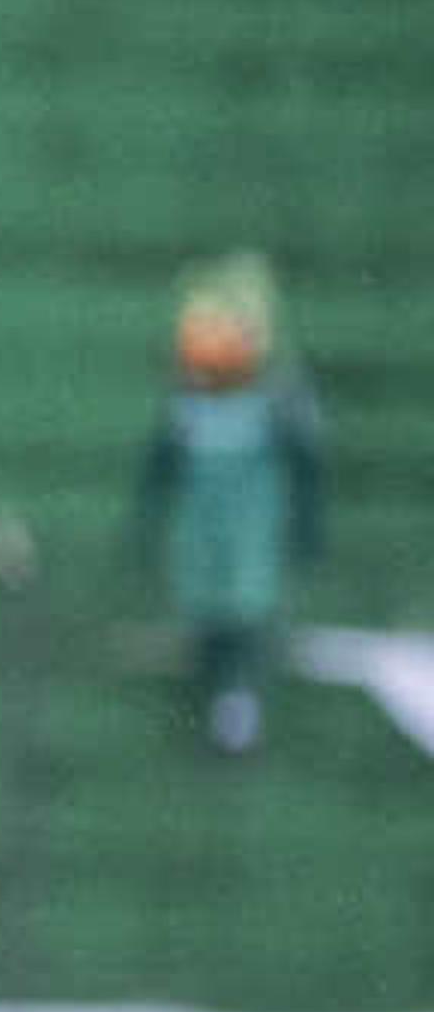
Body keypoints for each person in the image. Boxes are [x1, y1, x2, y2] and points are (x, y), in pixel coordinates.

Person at [135, 251, 324, 758]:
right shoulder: (187, 402)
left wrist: (306, 526)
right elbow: (161, 464)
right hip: (203, 528)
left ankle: (237, 703)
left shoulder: (279, 399)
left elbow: (305, 464)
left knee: (245, 609)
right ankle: (214, 698)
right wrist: (148, 519)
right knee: (208, 608)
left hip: (248, 528)